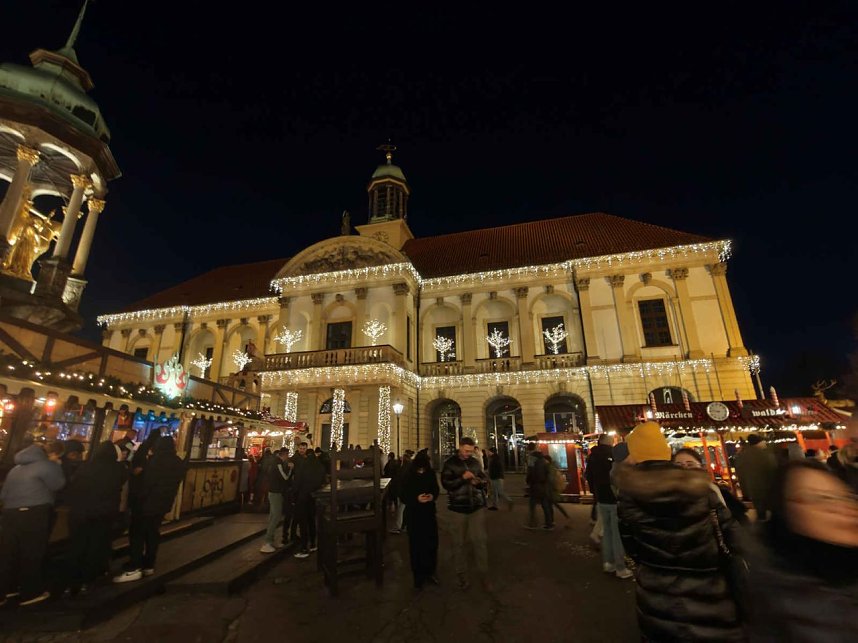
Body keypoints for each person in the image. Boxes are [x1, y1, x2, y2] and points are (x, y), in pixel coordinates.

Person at [616, 421, 745, 642]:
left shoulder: (628, 493)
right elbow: (732, 533)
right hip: (709, 586)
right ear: (666, 452)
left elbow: (630, 543)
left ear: (635, 455)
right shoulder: (697, 486)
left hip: (656, 587)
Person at [745, 460, 858, 641]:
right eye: (821, 499)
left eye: (846, 497)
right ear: (787, 514)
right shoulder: (787, 600)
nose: (843, 508)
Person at [0, 441, 65, 607]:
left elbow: (4, 494)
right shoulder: (46, 465)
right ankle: (30, 592)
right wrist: (56, 465)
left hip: (10, 513)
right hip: (35, 512)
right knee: (32, 551)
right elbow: (58, 484)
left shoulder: (16, 469)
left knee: (9, 552)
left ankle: (6, 589)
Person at [113, 435, 186, 582]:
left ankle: (135, 566)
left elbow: (147, 484)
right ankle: (149, 564)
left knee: (138, 534)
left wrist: (137, 485)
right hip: (163, 505)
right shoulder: (178, 462)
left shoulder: (155, 462)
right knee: (153, 533)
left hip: (146, 504)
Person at [64, 441, 129, 594]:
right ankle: (89, 578)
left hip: (80, 512)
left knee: (77, 545)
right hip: (103, 514)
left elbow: (73, 486)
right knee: (96, 545)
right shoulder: (119, 469)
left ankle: (72, 581)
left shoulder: (85, 466)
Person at [441, 436, 491, 590]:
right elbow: (446, 484)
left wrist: (479, 482)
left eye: (470, 451)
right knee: (459, 543)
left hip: (476, 506)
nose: (468, 453)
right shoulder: (450, 463)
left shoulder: (475, 463)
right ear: (460, 446)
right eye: (466, 450)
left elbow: (484, 480)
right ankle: (461, 575)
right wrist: (463, 478)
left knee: (480, 542)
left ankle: (484, 575)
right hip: (458, 508)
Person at [586, 433, 632, 579]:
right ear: (609, 442)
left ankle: (608, 563)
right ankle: (620, 567)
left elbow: (588, 475)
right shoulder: (614, 458)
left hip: (601, 498)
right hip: (614, 500)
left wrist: (595, 493)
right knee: (617, 534)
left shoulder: (592, 456)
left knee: (607, 533)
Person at [673, 448, 749, 525]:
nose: (685, 469)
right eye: (679, 465)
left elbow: (738, 522)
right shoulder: (669, 497)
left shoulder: (717, 491)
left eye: (690, 464)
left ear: (700, 466)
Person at [401, 450, 440, 590]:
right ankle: (418, 576)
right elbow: (403, 495)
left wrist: (431, 496)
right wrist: (416, 499)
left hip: (428, 514)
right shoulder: (408, 475)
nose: (422, 470)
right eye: (420, 468)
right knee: (416, 547)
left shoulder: (430, 473)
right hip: (414, 515)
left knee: (431, 544)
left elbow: (435, 489)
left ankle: (430, 571)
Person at [290, 442, 325, 559]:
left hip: (302, 496)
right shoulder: (318, 466)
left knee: (303, 522)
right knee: (311, 520)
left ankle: (304, 548)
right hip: (313, 496)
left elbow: (298, 481)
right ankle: (314, 544)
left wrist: (294, 495)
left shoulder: (304, 465)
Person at [734, 433, 777, 521]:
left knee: (761, 513)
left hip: (754, 489)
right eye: (763, 442)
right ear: (759, 443)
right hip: (766, 487)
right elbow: (773, 470)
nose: (765, 443)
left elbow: (741, 473)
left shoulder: (743, 455)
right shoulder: (764, 455)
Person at [260, 447, 292, 553]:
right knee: (276, 516)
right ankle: (268, 541)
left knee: (273, 515)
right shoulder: (278, 463)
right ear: (284, 454)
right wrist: (290, 469)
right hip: (275, 492)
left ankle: (271, 540)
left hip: (274, 491)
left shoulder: (275, 462)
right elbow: (285, 477)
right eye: (287, 455)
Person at [525, 449, 553, 530]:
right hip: (543, 485)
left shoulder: (533, 463)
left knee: (532, 505)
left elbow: (531, 475)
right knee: (545, 505)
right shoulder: (544, 462)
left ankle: (532, 523)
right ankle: (549, 523)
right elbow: (548, 473)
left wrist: (528, 481)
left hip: (535, 486)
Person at [390, 450, 414, 534]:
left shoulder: (404, 468)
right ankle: (404, 526)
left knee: (402, 509)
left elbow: (400, 479)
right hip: (407, 491)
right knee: (404, 509)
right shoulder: (410, 466)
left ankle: (399, 527)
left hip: (405, 492)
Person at [487, 447, 513, 511]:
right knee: (495, 492)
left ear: (492, 452)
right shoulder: (496, 458)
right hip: (497, 477)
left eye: (489, 451)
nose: (488, 452)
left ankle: (509, 500)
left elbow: (495, 469)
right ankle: (495, 505)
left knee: (499, 491)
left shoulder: (494, 459)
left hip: (496, 477)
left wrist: (491, 475)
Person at [544, 455, 570, 519]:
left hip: (551, 490)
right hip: (552, 489)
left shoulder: (550, 468)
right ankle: (551, 521)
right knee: (552, 505)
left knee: (551, 505)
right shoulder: (552, 467)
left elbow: (551, 479)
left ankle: (566, 517)